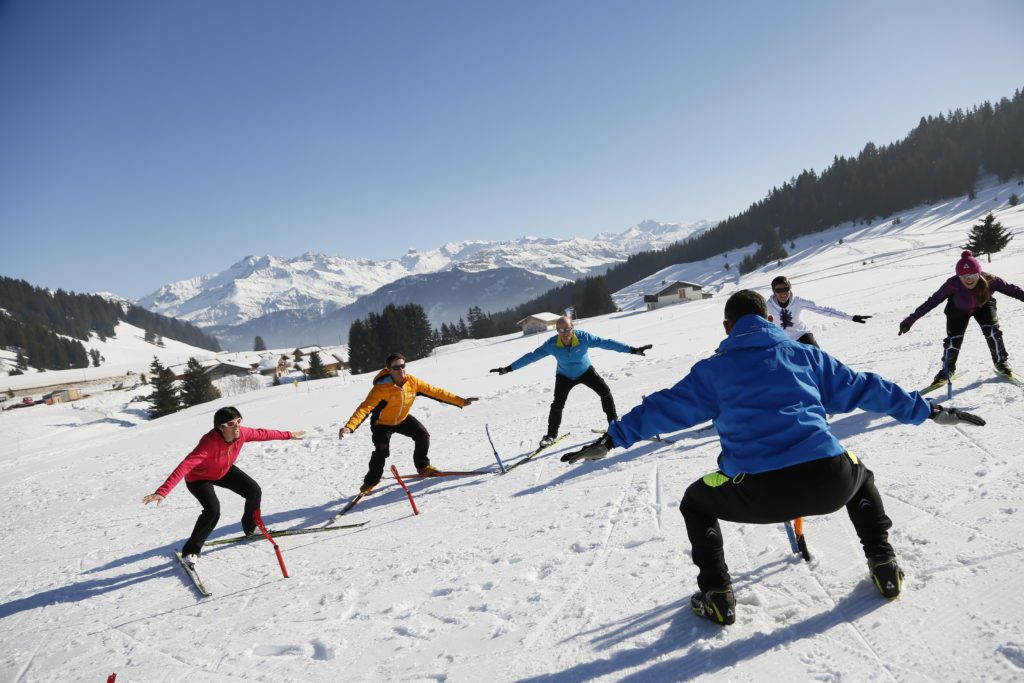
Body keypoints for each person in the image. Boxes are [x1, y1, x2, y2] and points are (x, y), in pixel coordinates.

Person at [560, 290, 984, 626]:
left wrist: (611, 439)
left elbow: (662, 408)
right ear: (768, 319)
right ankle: (884, 562)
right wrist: (928, 410)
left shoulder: (713, 371)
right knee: (859, 473)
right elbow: (868, 387)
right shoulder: (806, 356)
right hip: (829, 481)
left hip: (756, 494)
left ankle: (717, 594)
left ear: (727, 327)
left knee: (696, 501)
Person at [142, 407, 305, 568]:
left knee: (253, 491)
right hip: (199, 478)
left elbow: (262, 433)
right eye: (232, 424)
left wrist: (288, 435)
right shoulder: (208, 443)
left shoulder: (242, 433)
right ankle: (190, 551)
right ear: (221, 427)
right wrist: (162, 491)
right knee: (213, 511)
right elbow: (185, 466)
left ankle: (251, 528)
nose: (237, 426)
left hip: (223, 471)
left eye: (239, 421)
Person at [490, 315, 652, 448]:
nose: (565, 333)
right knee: (557, 405)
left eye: (567, 329)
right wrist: (509, 368)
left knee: (605, 392)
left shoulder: (584, 337)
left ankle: (613, 424)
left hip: (586, 371)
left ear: (572, 328)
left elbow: (606, 343)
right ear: (557, 330)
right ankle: (551, 435)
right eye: (561, 330)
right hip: (564, 376)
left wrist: (632, 350)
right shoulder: (551, 344)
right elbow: (531, 357)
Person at [339, 353, 478, 494]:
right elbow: (364, 409)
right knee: (381, 450)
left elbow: (436, 392)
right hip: (382, 423)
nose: (400, 370)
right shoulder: (380, 389)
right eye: (396, 367)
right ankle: (370, 482)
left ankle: (423, 467)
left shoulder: (412, 382)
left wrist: (461, 401)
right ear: (389, 370)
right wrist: (349, 427)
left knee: (422, 435)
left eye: (402, 366)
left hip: (402, 419)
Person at [899, 250, 1024, 383]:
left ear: (979, 273)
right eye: (963, 276)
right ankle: (947, 369)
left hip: (983, 306)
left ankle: (1001, 362)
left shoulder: (990, 280)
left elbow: (1012, 290)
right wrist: (909, 321)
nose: (968, 279)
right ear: (958, 276)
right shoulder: (952, 284)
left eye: (972, 275)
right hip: (957, 310)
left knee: (992, 332)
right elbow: (932, 302)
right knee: (954, 340)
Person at [767, 275, 871, 347]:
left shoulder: (798, 302)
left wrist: (852, 317)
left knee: (818, 358)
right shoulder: (768, 306)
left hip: (802, 335)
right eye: (779, 290)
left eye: (786, 289)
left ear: (790, 289)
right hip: (783, 340)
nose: (783, 293)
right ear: (774, 292)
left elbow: (824, 310)